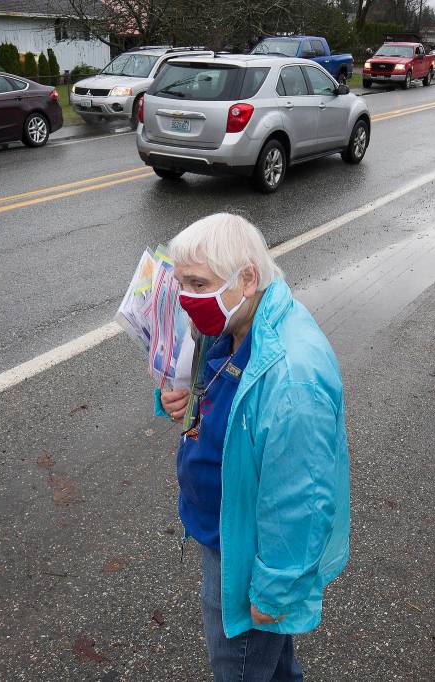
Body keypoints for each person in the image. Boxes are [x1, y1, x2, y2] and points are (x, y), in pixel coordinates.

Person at [156, 213, 350, 681]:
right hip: (225, 529)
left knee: (241, 670)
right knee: (274, 668)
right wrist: (174, 401)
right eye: (181, 282)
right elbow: (217, 395)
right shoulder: (237, 321)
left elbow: (300, 499)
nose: (186, 298)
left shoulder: (291, 380)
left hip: (245, 557)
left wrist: (273, 592)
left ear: (246, 278)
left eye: (198, 283)